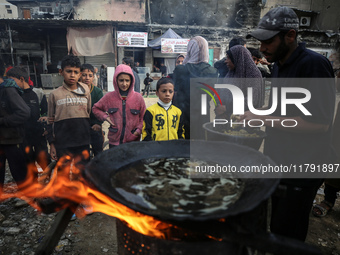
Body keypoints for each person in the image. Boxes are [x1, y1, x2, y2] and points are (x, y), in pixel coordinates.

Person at [243, 6, 335, 241]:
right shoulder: (278, 66)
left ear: (291, 35)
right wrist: (252, 112)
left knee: (289, 234)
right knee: (277, 226)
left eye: (268, 41)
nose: (262, 48)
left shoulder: (313, 65)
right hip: (279, 162)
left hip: (302, 168)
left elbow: (320, 124)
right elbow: (280, 109)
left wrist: (263, 118)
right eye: (260, 42)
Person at [46, 55, 91, 161]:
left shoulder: (86, 92)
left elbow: (88, 113)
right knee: (64, 175)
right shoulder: (54, 94)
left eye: (76, 72)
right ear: (61, 72)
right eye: (69, 71)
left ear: (80, 74)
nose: (72, 75)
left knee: (82, 173)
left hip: (83, 141)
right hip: (62, 143)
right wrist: (52, 144)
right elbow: (50, 121)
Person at [173, 36, 218, 139]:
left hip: (183, 113)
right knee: (200, 141)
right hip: (202, 114)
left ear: (190, 49)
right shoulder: (212, 72)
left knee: (183, 142)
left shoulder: (181, 70)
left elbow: (175, 91)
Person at [92, 64, 146, 148]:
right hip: (114, 142)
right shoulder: (109, 97)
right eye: (121, 80)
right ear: (115, 80)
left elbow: (143, 117)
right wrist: (105, 117)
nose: (124, 84)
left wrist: (138, 131)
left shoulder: (138, 98)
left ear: (131, 81)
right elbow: (95, 108)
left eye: (127, 80)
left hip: (133, 141)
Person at [7, 67, 49, 169]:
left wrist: (47, 128)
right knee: (28, 163)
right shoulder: (14, 94)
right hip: (23, 137)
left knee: (44, 161)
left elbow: (46, 112)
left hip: (39, 134)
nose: (10, 83)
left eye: (12, 80)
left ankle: (48, 182)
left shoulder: (37, 93)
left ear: (22, 79)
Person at [0, 58, 30, 193]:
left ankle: (29, 198)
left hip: (12, 139)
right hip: (2, 139)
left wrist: (3, 121)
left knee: (18, 171)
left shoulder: (8, 89)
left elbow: (23, 112)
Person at [215, 45, 263, 120]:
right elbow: (221, 92)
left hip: (244, 121)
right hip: (225, 118)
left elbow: (253, 100)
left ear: (238, 59)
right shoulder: (231, 73)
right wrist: (219, 108)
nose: (226, 61)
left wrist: (227, 108)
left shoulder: (253, 75)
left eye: (229, 58)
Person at [80, 64, 104, 157]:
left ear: (93, 77)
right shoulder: (76, 91)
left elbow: (102, 110)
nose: (87, 78)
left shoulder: (97, 92)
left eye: (90, 75)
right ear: (80, 76)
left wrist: (98, 123)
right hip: (80, 127)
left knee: (98, 153)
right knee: (82, 155)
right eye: (84, 75)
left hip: (94, 126)